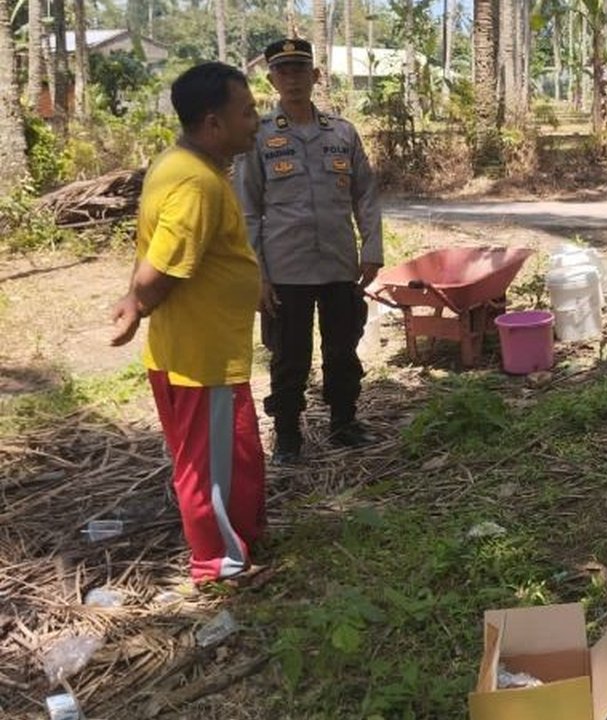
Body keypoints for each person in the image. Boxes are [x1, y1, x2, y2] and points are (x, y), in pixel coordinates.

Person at [109, 62, 266, 585]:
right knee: (208, 467)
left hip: (205, 351)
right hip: (201, 359)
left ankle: (242, 535)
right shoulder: (197, 183)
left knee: (233, 454)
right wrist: (137, 303)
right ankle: (218, 562)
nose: (256, 120)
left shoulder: (178, 164)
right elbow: (161, 268)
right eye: (246, 111)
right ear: (213, 123)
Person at [236, 38, 383, 465]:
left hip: (339, 263)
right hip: (286, 269)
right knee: (289, 356)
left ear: (316, 76)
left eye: (301, 69)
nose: (293, 78)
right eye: (283, 71)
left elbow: (365, 196)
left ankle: (344, 422)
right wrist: (257, 275)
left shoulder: (342, 132)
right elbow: (247, 210)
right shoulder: (258, 137)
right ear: (272, 80)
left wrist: (371, 248)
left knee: (343, 348)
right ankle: (287, 437)